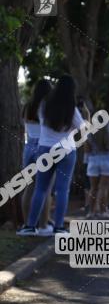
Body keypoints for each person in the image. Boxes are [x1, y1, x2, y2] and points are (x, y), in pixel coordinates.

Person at [18, 76, 85, 236]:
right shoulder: (72, 109)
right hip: (66, 150)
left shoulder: (43, 106)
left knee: (40, 188)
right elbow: (83, 130)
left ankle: (30, 226)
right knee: (62, 190)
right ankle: (59, 227)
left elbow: (42, 124)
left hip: (45, 148)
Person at [20, 79, 54, 234]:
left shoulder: (28, 106)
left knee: (29, 187)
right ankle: (43, 225)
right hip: (44, 146)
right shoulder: (47, 107)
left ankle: (27, 224)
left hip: (28, 146)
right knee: (45, 188)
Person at [84, 119, 109, 218]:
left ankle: (91, 211)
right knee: (104, 187)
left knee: (93, 188)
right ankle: (102, 211)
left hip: (94, 160)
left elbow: (87, 150)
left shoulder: (90, 134)